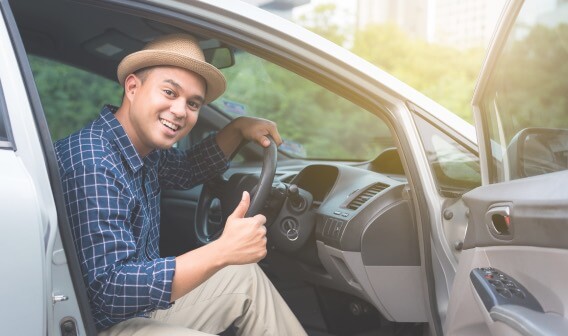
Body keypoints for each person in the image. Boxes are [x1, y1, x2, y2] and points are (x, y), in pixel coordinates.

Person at [55, 33, 307, 336]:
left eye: (193, 103)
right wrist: (221, 251)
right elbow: (109, 290)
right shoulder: (95, 162)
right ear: (133, 87)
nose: (179, 111)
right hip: (93, 323)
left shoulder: (140, 151)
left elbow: (187, 169)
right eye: (169, 92)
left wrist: (238, 129)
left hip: (130, 311)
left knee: (244, 276)